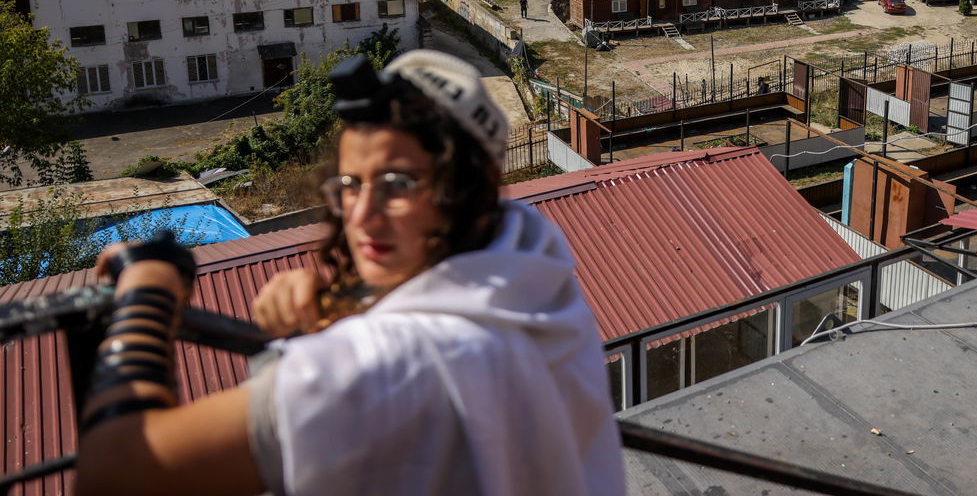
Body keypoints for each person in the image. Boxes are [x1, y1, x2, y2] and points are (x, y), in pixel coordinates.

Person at [75, 50, 625, 496]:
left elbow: (115, 472)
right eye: (351, 184)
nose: (361, 216)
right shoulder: (530, 255)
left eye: (399, 184)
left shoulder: (381, 367)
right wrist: (340, 300)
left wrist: (149, 288)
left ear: (468, 195)